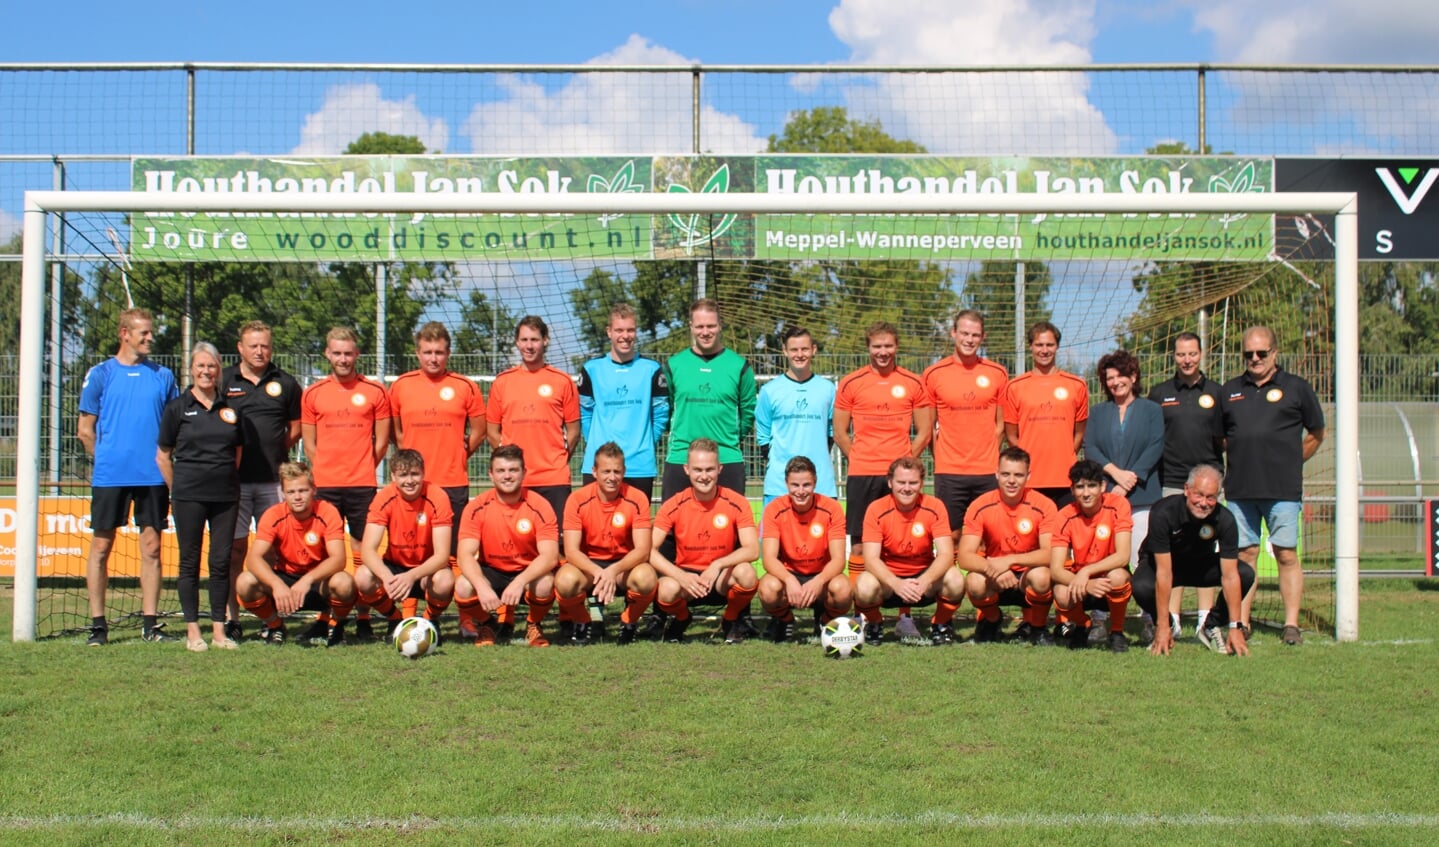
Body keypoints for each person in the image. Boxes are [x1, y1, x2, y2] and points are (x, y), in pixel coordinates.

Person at [78, 307, 179, 646]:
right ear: (124, 333)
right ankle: (98, 626)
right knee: (102, 547)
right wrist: (107, 459)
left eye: (151, 332)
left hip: (152, 475)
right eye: (143, 333)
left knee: (152, 547)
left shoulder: (163, 376)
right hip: (111, 476)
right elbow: (85, 430)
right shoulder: (101, 374)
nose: (150, 337)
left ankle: (151, 624)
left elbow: (174, 427)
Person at [1221, 325, 1325, 645]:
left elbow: (1317, 432)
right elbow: (1220, 437)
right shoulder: (1230, 390)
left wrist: (1293, 462)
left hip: (1282, 490)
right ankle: (1241, 622)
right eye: (1248, 354)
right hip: (1239, 491)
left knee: (1286, 554)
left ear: (1275, 353)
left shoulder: (1297, 388)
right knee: (1245, 556)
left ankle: (1291, 625)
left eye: (1261, 353)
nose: (1255, 359)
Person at [833, 321, 933, 640]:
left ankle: (905, 616)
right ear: (868, 348)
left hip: (900, 477)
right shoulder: (851, 383)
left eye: (888, 345)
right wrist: (861, 457)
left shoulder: (913, 383)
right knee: (861, 543)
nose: (883, 352)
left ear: (897, 346)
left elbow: (925, 431)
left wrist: (905, 461)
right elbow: (839, 432)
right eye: (877, 346)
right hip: (862, 473)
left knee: (903, 543)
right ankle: (866, 615)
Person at [389, 321, 486, 631]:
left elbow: (480, 430)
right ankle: (408, 613)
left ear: (448, 353)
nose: (433, 358)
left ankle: (466, 616)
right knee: (413, 548)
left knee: (457, 551)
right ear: (417, 353)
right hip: (412, 485)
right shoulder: (402, 385)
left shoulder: (465, 386)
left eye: (439, 352)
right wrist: (409, 465)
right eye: (428, 352)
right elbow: (397, 431)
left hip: (452, 480)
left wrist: (459, 454)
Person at [301, 327, 391, 640]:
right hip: (325, 485)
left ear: (357, 354)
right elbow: (309, 444)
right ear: (327, 354)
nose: (342, 358)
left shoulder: (376, 392)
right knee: (328, 552)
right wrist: (325, 468)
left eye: (348, 353)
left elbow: (382, 441)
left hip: (362, 484)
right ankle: (328, 615)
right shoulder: (313, 393)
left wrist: (364, 466)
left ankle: (364, 617)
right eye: (337, 353)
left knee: (363, 551)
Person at [156, 342, 244, 652]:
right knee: (189, 562)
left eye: (212, 366)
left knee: (220, 562)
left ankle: (219, 632)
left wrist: (221, 477)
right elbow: (163, 456)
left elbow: (237, 452)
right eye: (200, 366)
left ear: (219, 370)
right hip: (188, 496)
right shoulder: (177, 408)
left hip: (225, 496)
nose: (206, 371)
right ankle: (193, 631)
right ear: (192, 370)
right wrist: (177, 488)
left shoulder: (230, 409)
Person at [222, 320, 302, 642]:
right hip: (234, 483)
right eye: (253, 345)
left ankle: (273, 621)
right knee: (234, 551)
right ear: (240, 348)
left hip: (273, 482)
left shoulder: (286, 382)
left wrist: (275, 452)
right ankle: (232, 618)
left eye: (265, 345)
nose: (259, 351)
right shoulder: (224, 380)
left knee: (271, 554)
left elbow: (295, 428)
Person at [1147, 332, 1225, 637]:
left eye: (1192, 353)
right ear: (1174, 357)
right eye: (1181, 355)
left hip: (1209, 485)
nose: (1187, 360)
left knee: (1207, 547)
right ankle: (1173, 616)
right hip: (1173, 483)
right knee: (1174, 551)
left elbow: (1224, 439)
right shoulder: (1160, 393)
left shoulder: (1218, 393)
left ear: (1201, 354)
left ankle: (1206, 617)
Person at [1082, 349, 1162, 642]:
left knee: (1143, 561)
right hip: (1106, 496)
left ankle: (1150, 620)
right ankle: (1100, 621)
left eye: (1120, 376)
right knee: (1103, 559)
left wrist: (1130, 480)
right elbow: (1090, 448)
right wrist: (1114, 474)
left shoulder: (1151, 410)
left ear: (1133, 377)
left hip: (1143, 496)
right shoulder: (1099, 412)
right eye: (1109, 378)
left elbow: (1155, 446)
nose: (1115, 382)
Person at [1134, 464, 1254, 657]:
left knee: (1245, 574)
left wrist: (1235, 626)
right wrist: (1163, 624)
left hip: (1198, 564)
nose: (1204, 503)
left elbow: (1230, 575)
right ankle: (1167, 626)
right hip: (1163, 565)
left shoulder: (1225, 520)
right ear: (1186, 490)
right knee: (1140, 586)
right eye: (1199, 495)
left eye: (1210, 497)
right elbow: (1164, 572)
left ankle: (1211, 625)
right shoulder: (1163, 512)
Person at [649, 438, 760, 644]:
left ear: (719, 469)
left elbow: (753, 550)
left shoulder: (737, 502)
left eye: (709, 469)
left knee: (746, 573)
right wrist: (680, 575)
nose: (703, 476)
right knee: (666, 589)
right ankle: (682, 619)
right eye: (697, 469)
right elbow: (648, 551)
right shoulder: (674, 504)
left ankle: (730, 619)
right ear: (686, 470)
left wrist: (717, 565)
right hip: (687, 582)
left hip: (719, 580)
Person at [236, 462, 355, 646]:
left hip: (318, 583)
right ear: (283, 494)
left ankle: (335, 626)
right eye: (291, 492)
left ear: (313, 490)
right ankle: (275, 626)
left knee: (344, 583)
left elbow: (338, 559)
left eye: (303, 490)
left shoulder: (327, 511)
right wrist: (276, 584)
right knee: (244, 582)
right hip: (286, 581)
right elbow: (253, 558)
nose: (297, 497)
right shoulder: (273, 514)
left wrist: (307, 580)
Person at [453, 445, 560, 647]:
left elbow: (549, 556)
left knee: (545, 583)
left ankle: (533, 625)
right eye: (501, 471)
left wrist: (520, 581)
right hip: (492, 570)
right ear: (491, 475)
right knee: (463, 585)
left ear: (524, 473)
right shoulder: (477, 507)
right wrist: (482, 586)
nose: (507, 476)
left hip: (528, 572)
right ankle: (488, 624)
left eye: (513, 470)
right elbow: (465, 555)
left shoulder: (539, 505)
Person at [851, 456, 961, 645]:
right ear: (890, 482)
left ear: (922, 483)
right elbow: (870, 559)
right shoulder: (876, 509)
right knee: (864, 585)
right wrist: (896, 584)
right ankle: (875, 624)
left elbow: (946, 554)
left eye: (913, 482)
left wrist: (924, 581)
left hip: (923, 580)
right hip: (889, 581)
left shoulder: (935, 506)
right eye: (901, 482)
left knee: (956, 579)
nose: (907, 488)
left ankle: (941, 624)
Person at [555, 442, 656, 645]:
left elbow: (643, 550)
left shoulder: (637, 498)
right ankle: (583, 622)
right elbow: (572, 551)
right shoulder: (577, 499)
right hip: (588, 566)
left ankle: (628, 622)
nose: (612, 477)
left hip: (623, 567)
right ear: (594, 471)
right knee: (564, 581)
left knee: (646, 578)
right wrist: (599, 572)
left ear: (624, 471)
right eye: (606, 471)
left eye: (617, 471)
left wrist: (612, 571)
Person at [486, 315, 581, 533]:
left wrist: (557, 459)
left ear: (545, 340)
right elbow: (492, 432)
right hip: (515, 479)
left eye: (535, 340)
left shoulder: (562, 380)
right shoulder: (503, 382)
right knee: (515, 542)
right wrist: (509, 462)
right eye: (524, 340)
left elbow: (574, 431)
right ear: (517, 343)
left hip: (553, 478)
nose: (529, 346)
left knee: (557, 545)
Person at [922, 309, 1008, 544]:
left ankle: (980, 582)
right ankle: (952, 582)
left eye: (975, 335)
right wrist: (941, 457)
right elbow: (928, 426)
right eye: (964, 333)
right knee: (951, 535)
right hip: (949, 470)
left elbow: (1001, 425)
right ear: (953, 333)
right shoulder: (933, 374)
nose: (969, 340)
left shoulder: (997, 373)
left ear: (983, 337)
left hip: (987, 470)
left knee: (986, 536)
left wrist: (988, 452)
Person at [957, 447, 1058, 645]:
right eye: (1006, 474)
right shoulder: (980, 505)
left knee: (1042, 576)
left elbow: (1050, 554)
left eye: (1018, 475)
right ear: (997, 474)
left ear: (1028, 476)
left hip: (1027, 576)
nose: (1011, 481)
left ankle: (1038, 628)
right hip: (996, 578)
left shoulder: (1044, 505)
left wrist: (1009, 561)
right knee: (974, 582)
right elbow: (964, 556)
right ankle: (992, 621)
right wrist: (994, 569)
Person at [660, 299, 756, 502]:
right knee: (673, 531)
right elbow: (665, 409)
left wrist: (728, 439)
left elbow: (747, 412)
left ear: (720, 325)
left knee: (729, 530)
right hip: (681, 458)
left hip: (726, 458)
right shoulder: (674, 365)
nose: (705, 332)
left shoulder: (739, 366)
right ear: (691, 327)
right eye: (700, 326)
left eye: (711, 326)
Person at [355, 449, 454, 642]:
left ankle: (430, 620)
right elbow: (367, 549)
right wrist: (386, 577)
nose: (409, 481)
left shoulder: (438, 496)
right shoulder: (384, 497)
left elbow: (442, 555)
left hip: (427, 568)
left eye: (415, 474)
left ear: (423, 473)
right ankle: (394, 619)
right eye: (403, 475)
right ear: (393, 476)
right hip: (395, 565)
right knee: (363, 577)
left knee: (445, 581)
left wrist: (411, 577)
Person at [577, 302, 669, 502]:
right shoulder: (592, 369)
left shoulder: (651, 369)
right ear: (609, 332)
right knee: (596, 530)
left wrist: (643, 442)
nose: (625, 336)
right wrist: (598, 446)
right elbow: (584, 413)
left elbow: (661, 414)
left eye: (630, 330)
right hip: (600, 464)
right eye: (619, 330)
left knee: (637, 529)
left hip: (639, 465)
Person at [757, 456, 851, 642]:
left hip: (821, 576)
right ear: (786, 484)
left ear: (815, 483)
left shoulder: (832, 508)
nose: (800, 491)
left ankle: (825, 621)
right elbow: (768, 558)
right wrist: (789, 579)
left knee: (843, 590)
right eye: (795, 485)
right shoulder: (773, 509)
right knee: (768, 588)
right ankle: (785, 620)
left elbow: (839, 559)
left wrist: (818, 581)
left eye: (806, 485)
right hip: (790, 574)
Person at [1049, 460, 1134, 653]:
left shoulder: (1118, 505)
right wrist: (1086, 583)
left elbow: (1123, 556)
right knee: (1061, 592)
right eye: (1080, 487)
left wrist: (1087, 572)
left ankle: (1116, 632)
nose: (1086, 493)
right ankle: (1082, 624)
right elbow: (1055, 569)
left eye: (1091, 486)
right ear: (1072, 490)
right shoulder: (1064, 516)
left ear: (1103, 486)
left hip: (1107, 578)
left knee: (1119, 576)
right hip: (1081, 583)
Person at [1002, 321, 1088, 507]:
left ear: (1057, 346)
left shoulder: (1076, 385)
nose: (1044, 350)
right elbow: (1011, 434)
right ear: (1030, 346)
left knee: (1064, 534)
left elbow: (1080, 432)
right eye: (1039, 345)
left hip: (1065, 479)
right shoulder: (1015, 387)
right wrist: (1026, 462)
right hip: (1030, 479)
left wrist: (1064, 454)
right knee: (1030, 535)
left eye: (1050, 345)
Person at [755, 326, 837, 507]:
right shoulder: (770, 391)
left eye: (804, 349)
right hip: (779, 487)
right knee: (774, 536)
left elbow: (832, 433)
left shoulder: (828, 389)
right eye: (794, 349)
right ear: (785, 351)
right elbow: (762, 437)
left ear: (813, 350)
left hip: (821, 485)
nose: (799, 354)